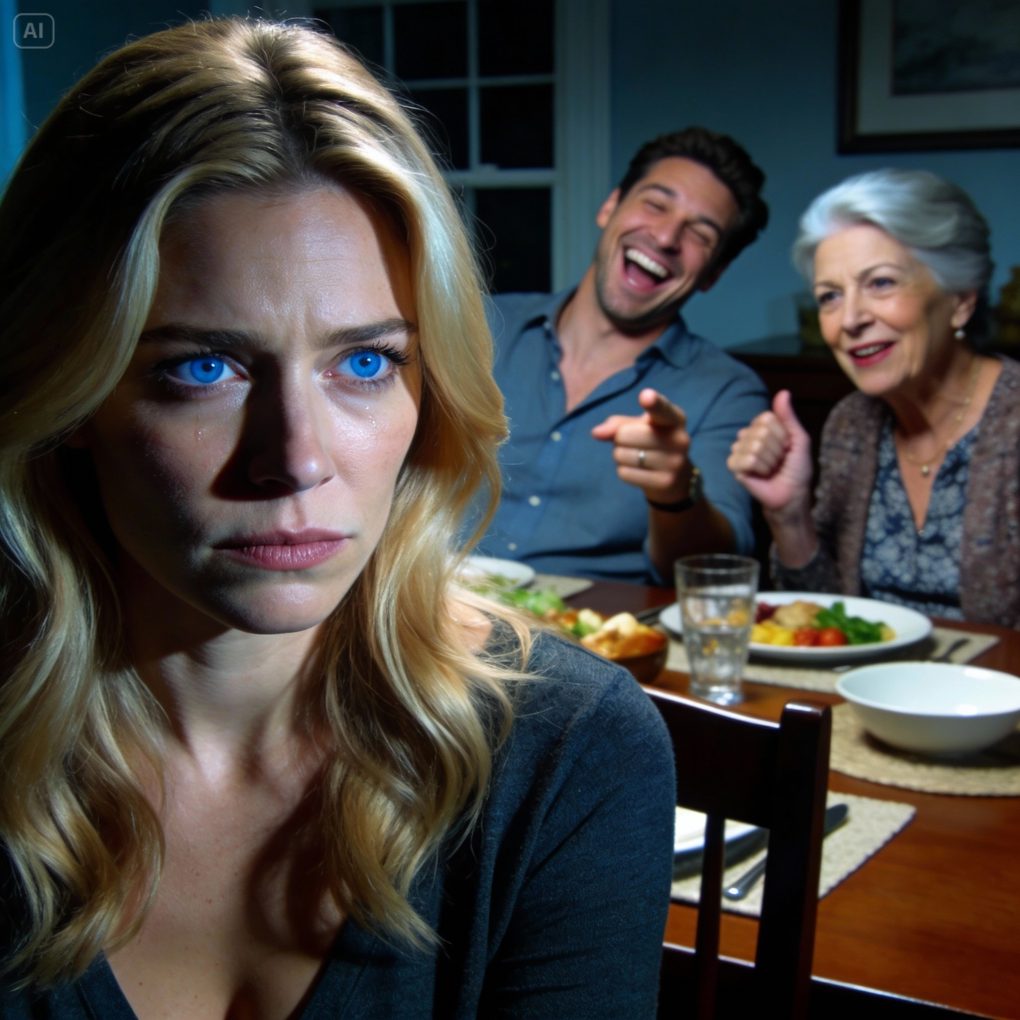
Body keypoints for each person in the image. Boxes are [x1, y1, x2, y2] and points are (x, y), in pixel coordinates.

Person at [0, 19, 676, 1016]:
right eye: (203, 366)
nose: (299, 458)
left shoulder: (566, 754)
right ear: (68, 399)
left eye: (365, 362)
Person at [476, 127, 770, 585]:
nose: (667, 236)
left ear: (714, 273)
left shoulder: (728, 392)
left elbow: (714, 570)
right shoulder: (479, 325)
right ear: (610, 206)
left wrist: (677, 492)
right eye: (655, 204)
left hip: (590, 625)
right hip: (423, 609)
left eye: (700, 233)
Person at [728, 168, 1020, 627]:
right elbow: (826, 625)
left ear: (961, 299)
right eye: (829, 296)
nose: (850, 319)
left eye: (881, 283)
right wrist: (789, 516)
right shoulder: (851, 425)